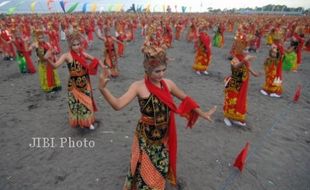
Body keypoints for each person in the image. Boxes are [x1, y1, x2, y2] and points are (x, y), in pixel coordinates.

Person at [99, 44, 217, 189]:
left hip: (163, 136)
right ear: (147, 70)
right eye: (157, 71)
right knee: (144, 169)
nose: (161, 74)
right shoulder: (138, 86)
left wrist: (202, 113)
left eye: (163, 70)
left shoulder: (168, 84)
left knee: (160, 166)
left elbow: (186, 99)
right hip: (146, 137)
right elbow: (117, 105)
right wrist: (102, 89)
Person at [49, 31, 105, 130]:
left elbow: (95, 59)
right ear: (70, 45)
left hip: (85, 82)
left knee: (87, 102)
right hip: (74, 84)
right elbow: (55, 66)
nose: (76, 46)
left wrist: (103, 65)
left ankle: (88, 122)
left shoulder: (82, 53)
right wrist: (48, 58)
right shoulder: (66, 55)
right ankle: (80, 121)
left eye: (78, 44)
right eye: (74, 45)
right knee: (76, 104)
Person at [223, 33, 261, 127]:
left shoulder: (244, 58)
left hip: (243, 84)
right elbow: (235, 66)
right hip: (235, 84)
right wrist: (244, 60)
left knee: (240, 100)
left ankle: (236, 117)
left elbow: (248, 67)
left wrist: (254, 73)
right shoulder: (235, 58)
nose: (246, 51)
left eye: (246, 49)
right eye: (244, 49)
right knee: (233, 100)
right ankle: (227, 117)